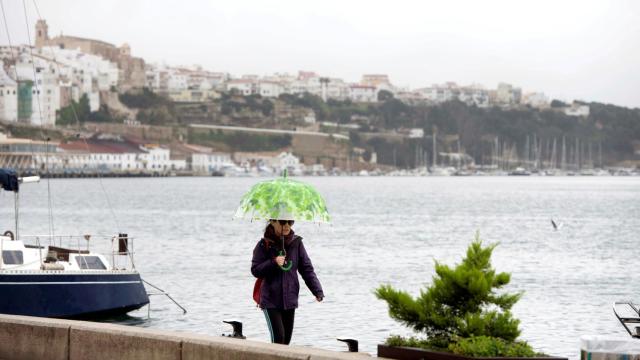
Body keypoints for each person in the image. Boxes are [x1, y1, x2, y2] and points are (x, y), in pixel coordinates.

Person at [251, 219, 324, 345]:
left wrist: (317, 290)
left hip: (290, 299)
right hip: (270, 300)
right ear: (273, 222)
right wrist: (274, 262)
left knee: (286, 342)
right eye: (283, 222)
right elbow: (255, 270)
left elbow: (307, 269)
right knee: (279, 338)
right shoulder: (264, 244)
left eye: (290, 222)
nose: (286, 226)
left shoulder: (297, 243)